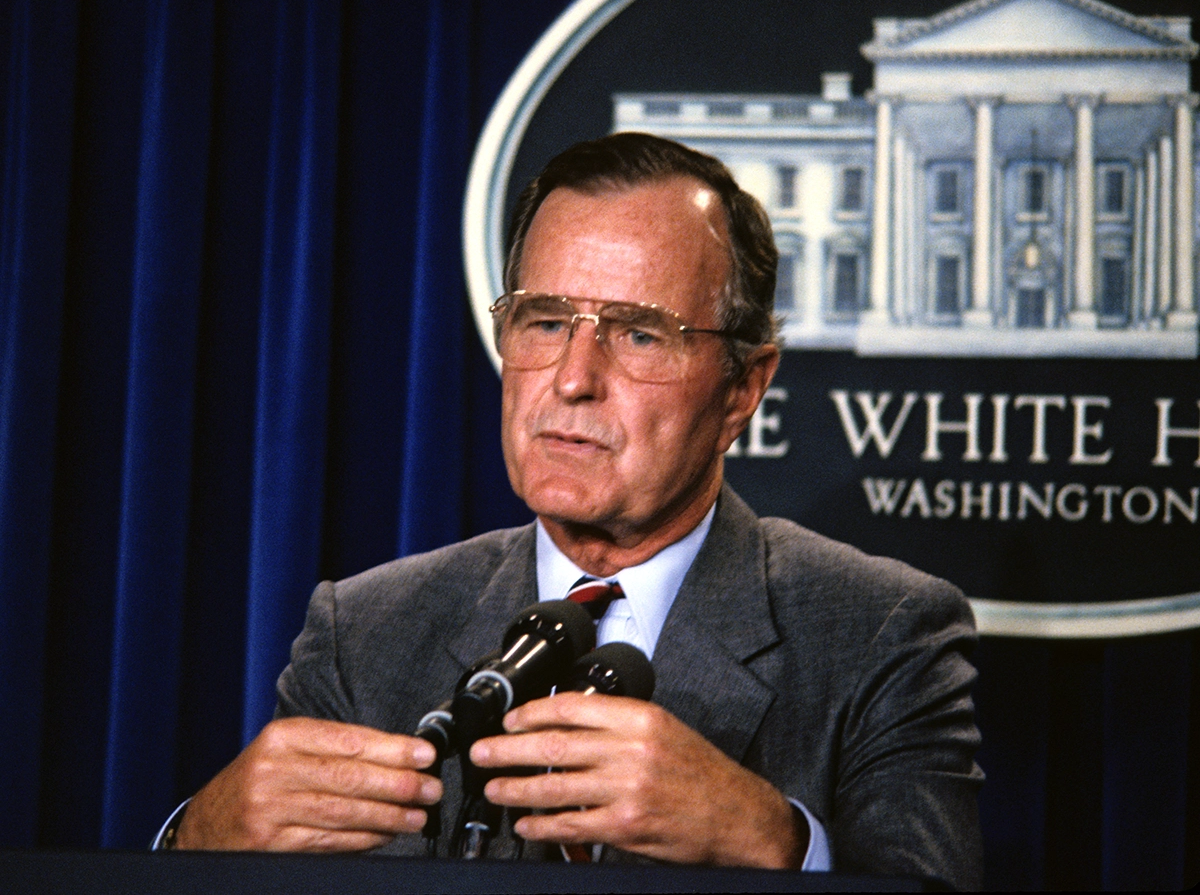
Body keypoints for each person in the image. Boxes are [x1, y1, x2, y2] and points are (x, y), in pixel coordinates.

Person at [162, 132, 983, 888]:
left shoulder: (881, 631)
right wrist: (195, 844)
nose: (572, 378)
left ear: (743, 389)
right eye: (545, 322)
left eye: (639, 336)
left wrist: (777, 844)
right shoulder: (363, 631)